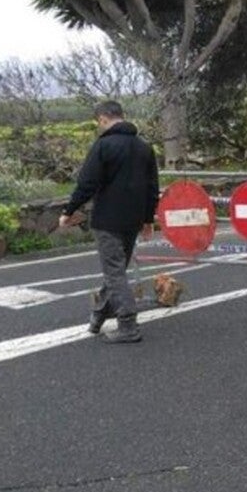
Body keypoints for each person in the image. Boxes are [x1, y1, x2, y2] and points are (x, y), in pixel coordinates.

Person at [59, 101, 159, 343]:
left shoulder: (103, 145)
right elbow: (152, 188)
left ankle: (128, 325)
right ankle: (100, 314)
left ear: (103, 119)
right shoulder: (144, 147)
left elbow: (87, 183)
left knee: (114, 272)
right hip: (134, 219)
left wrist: (68, 211)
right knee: (117, 270)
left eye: (99, 123)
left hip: (107, 219)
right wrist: (148, 219)